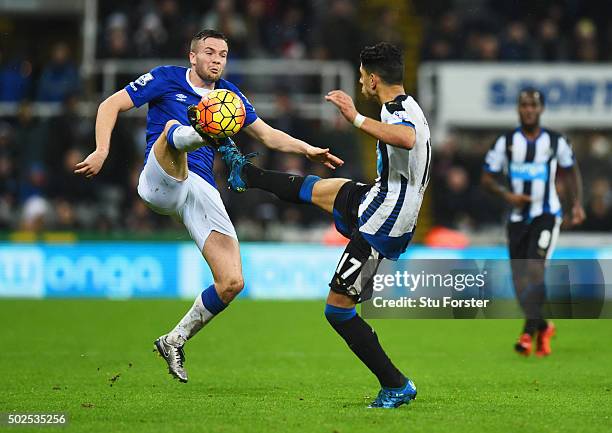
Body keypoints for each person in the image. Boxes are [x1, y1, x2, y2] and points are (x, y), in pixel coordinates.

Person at [74, 29, 342, 383]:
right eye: (210, 53)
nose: (217, 60)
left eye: (223, 55)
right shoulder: (166, 78)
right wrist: (102, 150)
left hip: (199, 187)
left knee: (232, 281)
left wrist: (308, 149)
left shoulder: (230, 97)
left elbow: (267, 134)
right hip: (161, 179)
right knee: (173, 126)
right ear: (193, 56)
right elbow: (111, 104)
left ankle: (174, 340)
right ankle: (202, 129)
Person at [209, 42, 430, 408]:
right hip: (379, 199)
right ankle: (248, 173)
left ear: (374, 80)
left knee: (338, 310)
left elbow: (406, 139)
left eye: (362, 77)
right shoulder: (406, 106)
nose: (360, 84)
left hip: (385, 222)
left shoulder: (397, 112)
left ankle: (396, 384)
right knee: (318, 190)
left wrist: (354, 117)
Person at [481, 88, 585, 357]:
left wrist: (576, 204)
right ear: (518, 109)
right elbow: (487, 178)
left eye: (533, 105)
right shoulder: (505, 142)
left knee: (535, 270)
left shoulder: (555, 141)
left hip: (547, 215)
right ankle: (544, 326)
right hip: (517, 219)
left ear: (541, 109)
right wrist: (508, 195)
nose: (528, 110)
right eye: (524, 105)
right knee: (519, 282)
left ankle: (527, 333)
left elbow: (571, 170)